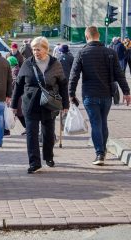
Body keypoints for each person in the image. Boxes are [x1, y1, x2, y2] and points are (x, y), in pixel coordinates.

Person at [69, 26, 131, 166]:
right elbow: (119, 74)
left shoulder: (82, 53)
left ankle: (99, 153)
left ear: (86, 37)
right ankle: (102, 150)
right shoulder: (110, 52)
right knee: (103, 122)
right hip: (106, 94)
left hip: (89, 95)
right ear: (98, 35)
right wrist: (126, 92)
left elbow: (74, 76)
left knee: (95, 123)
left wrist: (71, 94)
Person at [11, 36, 69, 174]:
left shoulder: (55, 64)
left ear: (46, 49)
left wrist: (65, 104)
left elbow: (62, 85)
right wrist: (13, 104)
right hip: (30, 104)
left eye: (38, 49)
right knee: (31, 134)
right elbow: (18, 85)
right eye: (34, 49)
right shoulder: (27, 64)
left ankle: (48, 156)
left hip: (49, 104)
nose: (36, 52)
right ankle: (34, 163)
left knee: (48, 134)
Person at [7, 56, 26, 134]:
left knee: (19, 113)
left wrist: (10, 85)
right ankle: (27, 127)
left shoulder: (15, 70)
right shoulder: (17, 69)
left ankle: (27, 127)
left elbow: (15, 82)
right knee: (19, 113)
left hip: (18, 95)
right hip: (19, 94)